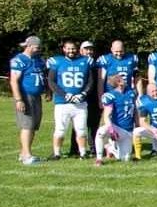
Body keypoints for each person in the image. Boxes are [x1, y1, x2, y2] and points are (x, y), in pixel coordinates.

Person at [47, 40, 95, 160]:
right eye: (68, 48)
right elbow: (51, 81)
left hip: (80, 103)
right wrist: (64, 95)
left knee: (81, 130)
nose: (71, 51)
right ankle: (56, 153)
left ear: (77, 49)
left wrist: (83, 94)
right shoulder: (57, 61)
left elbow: (90, 81)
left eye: (73, 48)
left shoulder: (86, 61)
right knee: (60, 129)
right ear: (63, 49)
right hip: (62, 103)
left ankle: (83, 153)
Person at [9, 36, 47, 165]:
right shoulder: (19, 60)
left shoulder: (38, 59)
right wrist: (19, 99)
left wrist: (47, 90)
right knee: (27, 125)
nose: (39, 49)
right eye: (37, 47)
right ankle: (27, 155)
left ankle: (24, 153)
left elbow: (43, 75)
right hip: (25, 95)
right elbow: (14, 81)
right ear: (29, 46)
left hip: (36, 96)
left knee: (33, 126)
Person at [94, 75, 136, 166]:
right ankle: (99, 158)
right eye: (121, 79)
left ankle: (110, 148)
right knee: (101, 132)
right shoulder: (110, 96)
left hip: (128, 130)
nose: (124, 80)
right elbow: (106, 115)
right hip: (117, 127)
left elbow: (136, 111)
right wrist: (111, 129)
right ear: (118, 83)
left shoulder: (131, 93)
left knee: (125, 159)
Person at [73, 41, 101, 157]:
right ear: (81, 50)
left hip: (94, 97)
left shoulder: (96, 64)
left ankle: (94, 147)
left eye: (90, 49)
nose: (89, 51)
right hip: (80, 97)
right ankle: (75, 148)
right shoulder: (76, 62)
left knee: (93, 124)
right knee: (78, 125)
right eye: (86, 49)